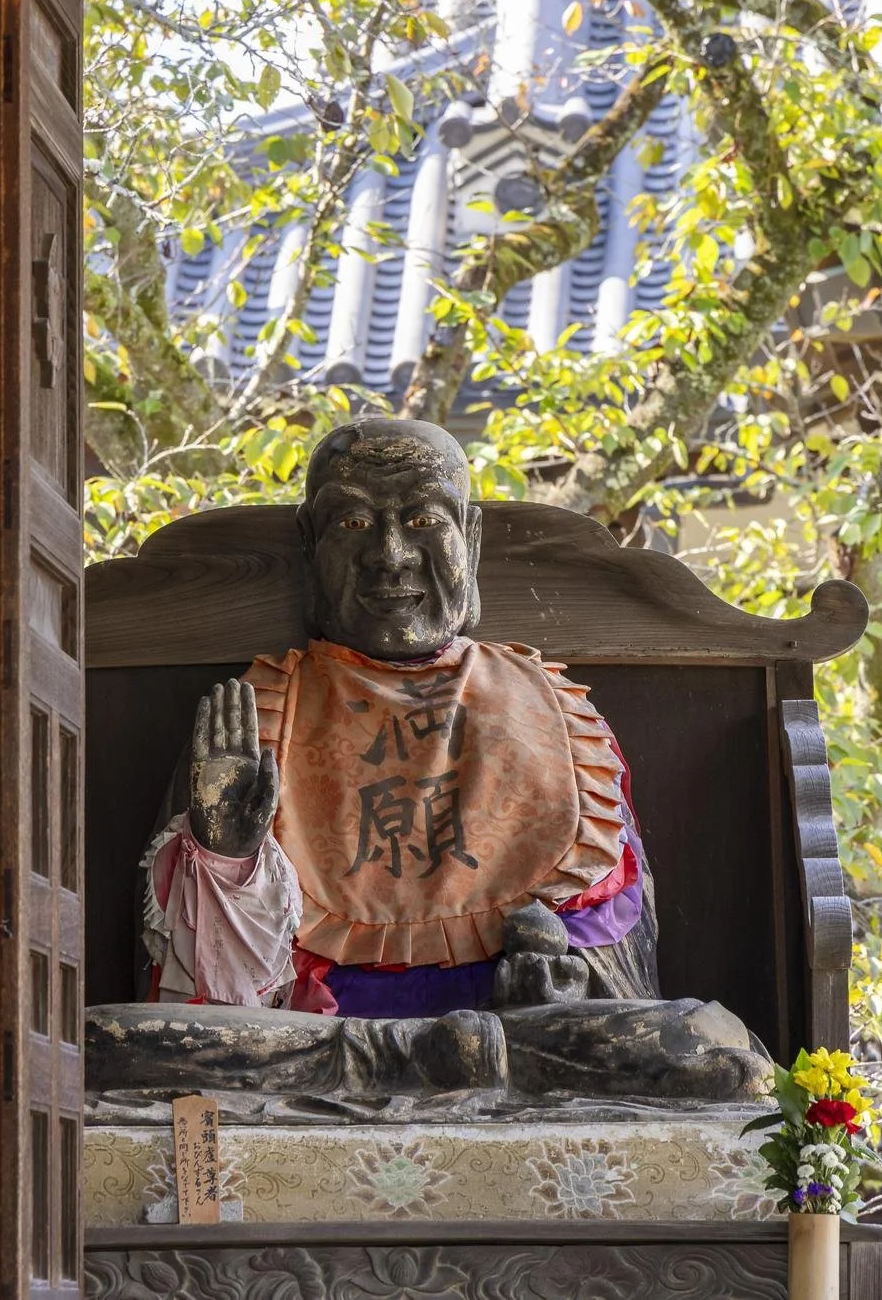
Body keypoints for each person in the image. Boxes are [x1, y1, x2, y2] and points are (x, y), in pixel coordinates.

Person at [140, 417, 657, 1017]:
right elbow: (203, 1005)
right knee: (127, 1041)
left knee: (694, 1042)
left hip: (514, 1044)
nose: (389, 557)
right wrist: (228, 860)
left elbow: (623, 971)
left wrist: (553, 987)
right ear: (311, 544)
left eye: (424, 521)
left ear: (471, 537)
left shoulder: (553, 711)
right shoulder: (256, 716)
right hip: (326, 1048)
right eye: (354, 523)